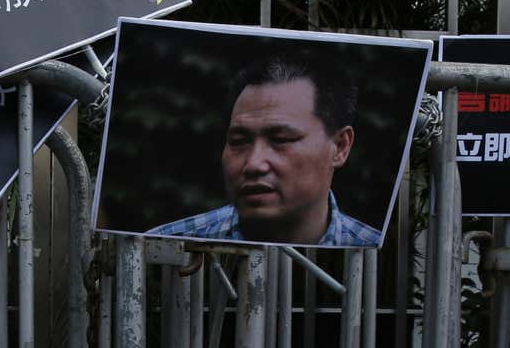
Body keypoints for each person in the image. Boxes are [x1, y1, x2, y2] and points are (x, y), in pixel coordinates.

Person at [146, 52, 382, 247]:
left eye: (280, 139)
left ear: (340, 147)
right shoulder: (163, 249)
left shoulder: (377, 257)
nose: (253, 164)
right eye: (239, 141)